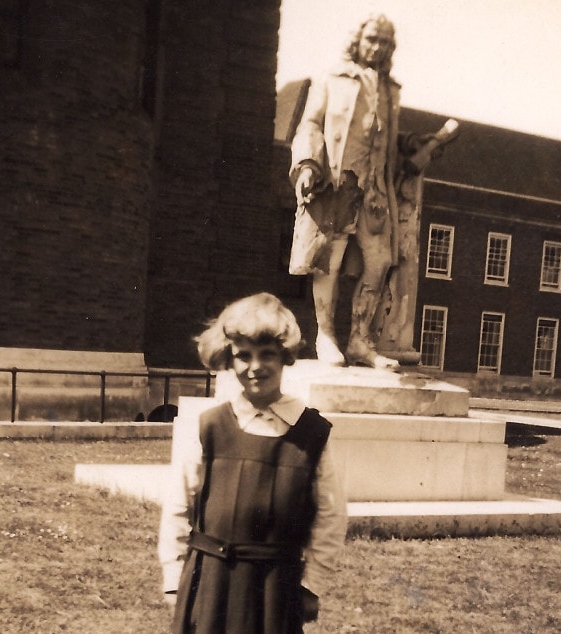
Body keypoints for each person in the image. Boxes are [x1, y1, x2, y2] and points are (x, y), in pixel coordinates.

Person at [159, 292, 348, 633]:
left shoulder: (311, 432)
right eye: (243, 356)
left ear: (285, 357)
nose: (255, 367)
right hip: (211, 578)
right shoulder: (208, 426)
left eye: (267, 355)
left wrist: (313, 583)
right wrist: (174, 579)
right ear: (228, 361)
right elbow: (177, 504)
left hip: (276, 585)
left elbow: (330, 515)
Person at [289, 14, 436, 369]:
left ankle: (360, 340)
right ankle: (326, 336)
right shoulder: (331, 79)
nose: (378, 47)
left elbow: (388, 142)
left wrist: (417, 144)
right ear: (358, 39)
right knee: (329, 262)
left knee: (380, 262)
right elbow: (310, 123)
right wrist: (308, 163)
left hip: (375, 193)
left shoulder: (390, 89)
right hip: (338, 184)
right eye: (373, 38)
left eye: (385, 42)